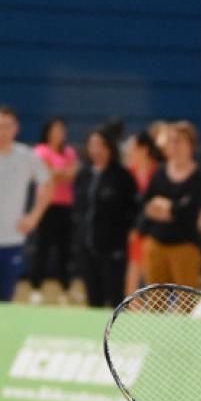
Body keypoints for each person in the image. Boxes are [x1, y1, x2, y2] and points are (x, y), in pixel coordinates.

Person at [73, 128, 137, 308]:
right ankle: (95, 334)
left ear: (110, 147)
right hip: (86, 247)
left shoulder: (122, 176)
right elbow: (78, 210)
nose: (97, 149)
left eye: (101, 145)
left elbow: (132, 210)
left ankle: (114, 334)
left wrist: (121, 236)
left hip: (112, 249)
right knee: (93, 298)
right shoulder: (83, 174)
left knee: (115, 296)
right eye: (92, 145)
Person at [140, 120, 201, 288]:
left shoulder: (197, 175)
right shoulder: (160, 171)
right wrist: (171, 209)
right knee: (154, 300)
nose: (175, 145)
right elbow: (147, 204)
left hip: (184, 245)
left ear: (190, 144)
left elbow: (188, 210)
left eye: (180, 140)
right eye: (172, 140)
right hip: (157, 242)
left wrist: (167, 207)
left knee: (186, 301)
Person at [0, 105, 53, 302]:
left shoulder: (25, 156)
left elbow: (47, 184)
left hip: (12, 239)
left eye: (7, 126)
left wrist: (34, 217)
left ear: (16, 128)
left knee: (5, 299)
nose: (2, 131)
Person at [31, 117, 79, 303]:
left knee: (64, 249)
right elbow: (44, 175)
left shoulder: (69, 151)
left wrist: (57, 172)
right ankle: (36, 287)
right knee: (42, 248)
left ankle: (66, 288)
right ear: (48, 132)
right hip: (45, 206)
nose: (60, 134)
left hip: (65, 206)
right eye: (56, 130)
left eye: (62, 130)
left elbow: (72, 174)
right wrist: (59, 173)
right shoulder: (40, 150)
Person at [124, 130, 161, 296]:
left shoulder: (158, 172)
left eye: (133, 148)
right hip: (135, 232)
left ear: (144, 149)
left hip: (155, 232)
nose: (129, 152)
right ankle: (132, 310)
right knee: (133, 273)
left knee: (154, 276)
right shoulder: (128, 173)